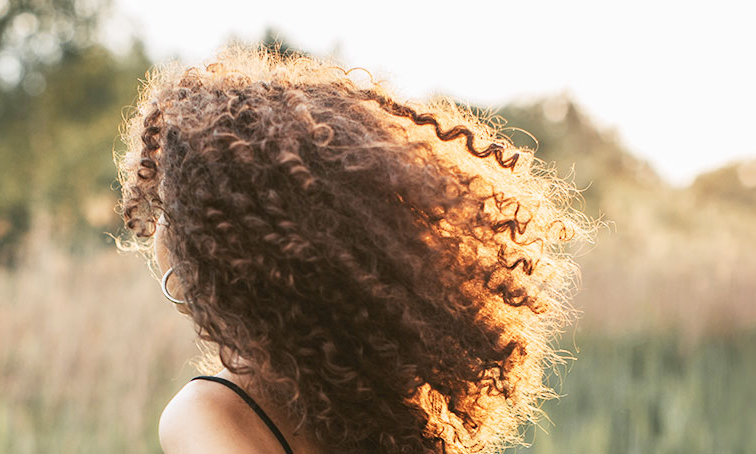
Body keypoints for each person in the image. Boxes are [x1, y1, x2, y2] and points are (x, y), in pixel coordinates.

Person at [115, 44, 591, 454]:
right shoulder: (387, 403)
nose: (157, 228)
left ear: (216, 255)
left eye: (167, 209)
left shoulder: (207, 413)